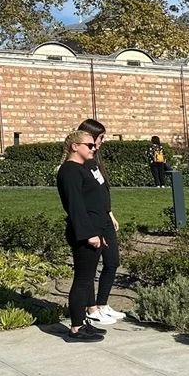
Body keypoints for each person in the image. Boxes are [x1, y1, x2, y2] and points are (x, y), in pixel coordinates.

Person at [55, 131, 108, 341]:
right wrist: (89, 234)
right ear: (75, 146)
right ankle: (76, 327)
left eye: (93, 145)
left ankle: (82, 322)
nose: (93, 148)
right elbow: (76, 206)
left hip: (94, 230)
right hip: (85, 233)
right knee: (83, 280)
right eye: (89, 145)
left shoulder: (81, 168)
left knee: (87, 280)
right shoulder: (69, 170)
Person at [76, 119, 124, 326]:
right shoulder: (80, 163)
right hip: (92, 221)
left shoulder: (95, 161)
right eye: (100, 137)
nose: (102, 141)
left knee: (112, 261)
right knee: (90, 267)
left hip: (104, 218)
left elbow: (101, 192)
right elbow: (81, 198)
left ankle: (102, 304)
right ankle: (91, 308)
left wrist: (110, 213)